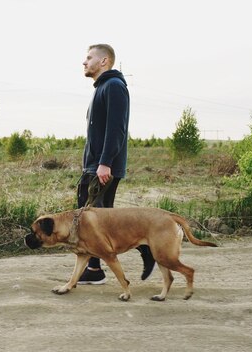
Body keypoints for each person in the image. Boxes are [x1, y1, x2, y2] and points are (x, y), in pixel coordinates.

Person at [77, 43, 154, 285]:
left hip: (102, 167)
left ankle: (144, 249)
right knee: (99, 219)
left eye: (89, 57)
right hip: (95, 166)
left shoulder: (114, 87)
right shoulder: (103, 87)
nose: (84, 62)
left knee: (93, 220)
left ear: (104, 61)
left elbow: (117, 129)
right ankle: (95, 268)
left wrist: (105, 163)